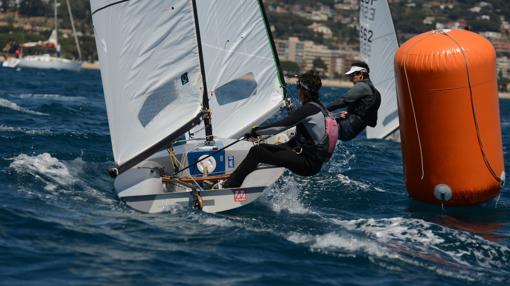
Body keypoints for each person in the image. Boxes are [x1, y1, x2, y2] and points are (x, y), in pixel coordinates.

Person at [222, 70, 332, 188]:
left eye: (298, 86)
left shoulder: (308, 109)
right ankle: (243, 176)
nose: (297, 89)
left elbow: (280, 127)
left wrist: (256, 132)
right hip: (311, 160)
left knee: (257, 151)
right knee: (265, 148)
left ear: (303, 90)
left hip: (307, 163)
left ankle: (231, 185)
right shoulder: (320, 108)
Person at [327, 61, 381, 141]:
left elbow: (343, 101)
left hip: (346, 127)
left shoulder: (362, 86)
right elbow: (364, 113)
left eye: (352, 76)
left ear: (360, 75)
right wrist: (348, 114)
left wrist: (323, 110)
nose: (350, 79)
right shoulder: (376, 93)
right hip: (353, 131)